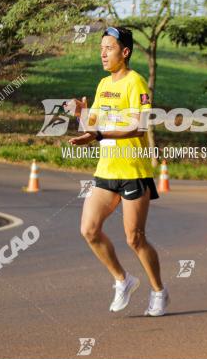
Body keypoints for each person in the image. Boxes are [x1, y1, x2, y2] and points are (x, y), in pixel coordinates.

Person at [64, 26, 168, 317]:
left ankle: (159, 291)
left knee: (135, 238)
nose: (103, 53)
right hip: (106, 170)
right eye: (101, 48)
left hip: (134, 171)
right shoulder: (102, 84)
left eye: (109, 48)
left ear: (125, 52)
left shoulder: (136, 83)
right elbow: (92, 126)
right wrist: (81, 114)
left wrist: (97, 135)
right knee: (89, 229)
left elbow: (139, 126)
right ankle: (123, 280)